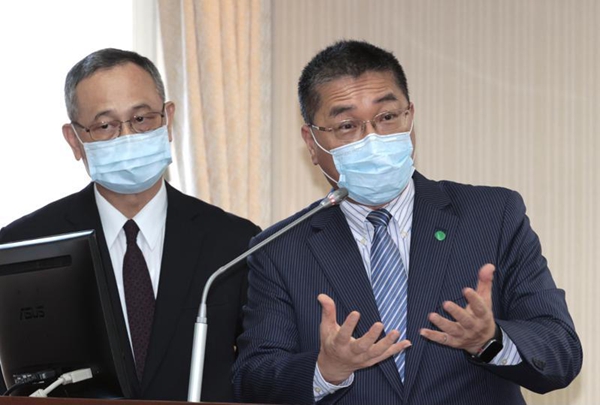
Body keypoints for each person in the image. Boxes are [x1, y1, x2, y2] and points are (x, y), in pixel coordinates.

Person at [232, 40, 582, 404]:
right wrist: (325, 370)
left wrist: (490, 340)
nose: (372, 139)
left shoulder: (492, 215)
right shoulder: (280, 248)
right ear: (311, 141)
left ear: (410, 117)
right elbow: (253, 379)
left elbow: (561, 353)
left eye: (387, 117)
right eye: (347, 125)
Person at [0, 48, 260, 402]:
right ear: (75, 140)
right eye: (105, 125)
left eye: (141, 118)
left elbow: (260, 370)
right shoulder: (21, 246)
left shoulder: (235, 242)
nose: (127, 136)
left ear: (168, 119)